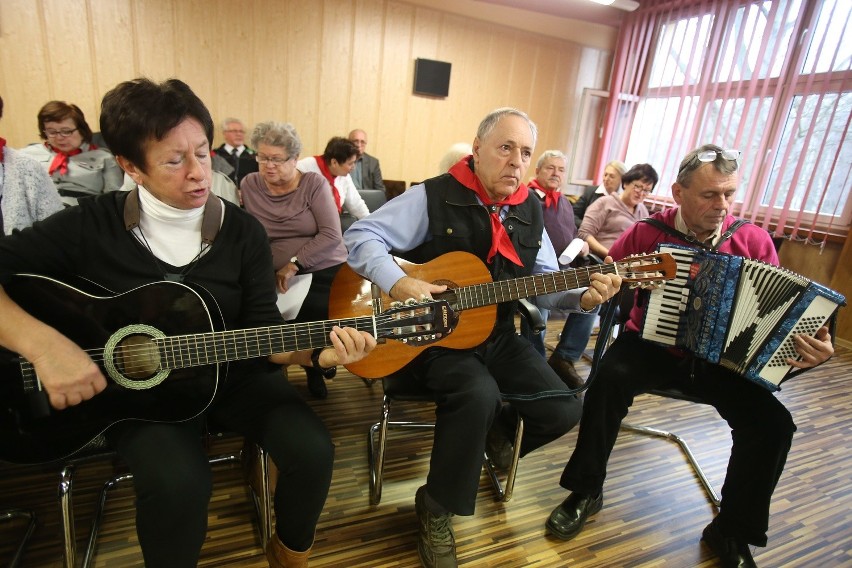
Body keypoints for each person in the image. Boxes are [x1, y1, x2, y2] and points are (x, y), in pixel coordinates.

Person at [0, 78, 376, 568]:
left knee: (313, 449)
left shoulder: (241, 231)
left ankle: (290, 552)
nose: (199, 173)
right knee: (179, 484)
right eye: (175, 161)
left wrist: (318, 353)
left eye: (203, 152)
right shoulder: (89, 225)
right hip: (133, 391)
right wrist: (44, 346)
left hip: (234, 375)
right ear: (130, 166)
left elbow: (265, 332)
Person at [344, 108, 622, 568]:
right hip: (431, 337)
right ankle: (435, 506)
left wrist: (586, 299)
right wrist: (398, 281)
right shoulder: (434, 196)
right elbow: (361, 234)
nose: (517, 161)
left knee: (563, 406)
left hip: (495, 334)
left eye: (526, 152)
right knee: (479, 393)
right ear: (477, 149)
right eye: (506, 147)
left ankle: (489, 441)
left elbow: (548, 287)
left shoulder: (530, 209)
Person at [545, 144, 834, 568]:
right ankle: (586, 490)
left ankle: (731, 529)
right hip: (652, 345)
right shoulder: (647, 232)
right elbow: (605, 276)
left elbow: (777, 320)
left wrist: (810, 349)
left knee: (774, 424)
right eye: (709, 195)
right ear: (679, 193)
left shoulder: (751, 240)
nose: (722, 206)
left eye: (729, 194)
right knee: (608, 378)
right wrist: (601, 287)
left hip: (724, 362)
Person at [242, 121, 349, 400]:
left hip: (322, 266)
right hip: (272, 270)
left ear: (294, 159)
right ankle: (273, 379)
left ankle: (316, 366)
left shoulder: (313, 184)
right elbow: (251, 235)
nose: (268, 165)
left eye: (276, 159)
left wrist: (293, 264)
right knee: (257, 314)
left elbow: (331, 235)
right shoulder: (250, 185)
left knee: (313, 309)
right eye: (262, 157)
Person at [548, 163, 658, 387]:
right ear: (626, 183)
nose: (641, 193)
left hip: (628, 274)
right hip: (603, 263)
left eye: (647, 190)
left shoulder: (643, 213)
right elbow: (584, 233)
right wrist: (610, 254)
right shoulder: (606, 203)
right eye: (638, 186)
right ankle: (564, 357)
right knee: (598, 294)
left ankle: (627, 361)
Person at [519, 149, 587, 361]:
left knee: (592, 299)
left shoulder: (564, 202)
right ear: (537, 170)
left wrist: (580, 243)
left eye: (561, 170)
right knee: (540, 302)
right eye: (550, 168)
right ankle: (534, 359)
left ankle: (565, 357)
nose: (556, 173)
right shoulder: (526, 198)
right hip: (535, 271)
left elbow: (573, 232)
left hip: (565, 268)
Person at [18, 100, 123, 206]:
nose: (59, 138)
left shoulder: (104, 158)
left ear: (81, 130)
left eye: (66, 131)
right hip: (39, 208)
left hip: (81, 209)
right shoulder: (27, 155)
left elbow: (114, 198)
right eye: (52, 132)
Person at [0, 95, 64, 235]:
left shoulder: (28, 167)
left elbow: (56, 231)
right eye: (52, 132)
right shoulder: (33, 153)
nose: (60, 137)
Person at [297, 137, 370, 223]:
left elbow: (356, 204)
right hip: (305, 224)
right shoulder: (304, 167)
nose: (353, 167)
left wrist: (370, 223)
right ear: (334, 162)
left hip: (332, 225)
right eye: (350, 164)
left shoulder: (344, 176)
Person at [572, 159, 626, 228]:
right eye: (605, 175)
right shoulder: (590, 191)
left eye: (611, 176)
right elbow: (572, 214)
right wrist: (586, 226)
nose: (606, 179)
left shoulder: (625, 198)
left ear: (622, 179)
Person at [215, 117, 259, 186]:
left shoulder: (254, 156)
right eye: (234, 131)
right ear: (225, 134)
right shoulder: (214, 155)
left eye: (241, 131)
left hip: (248, 194)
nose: (239, 134)